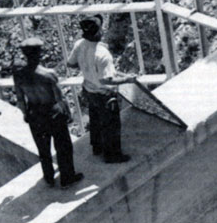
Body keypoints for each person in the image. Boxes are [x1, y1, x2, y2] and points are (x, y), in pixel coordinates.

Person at [13, 38, 83, 188]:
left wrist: (26, 114)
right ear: (39, 53)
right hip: (52, 113)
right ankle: (67, 178)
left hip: (34, 114)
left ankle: (49, 178)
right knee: (63, 147)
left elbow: (20, 99)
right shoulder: (48, 74)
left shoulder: (19, 75)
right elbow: (59, 98)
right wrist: (68, 114)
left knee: (43, 149)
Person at [67, 15, 136, 163]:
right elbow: (106, 80)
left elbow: (70, 64)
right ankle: (112, 155)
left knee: (96, 120)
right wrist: (128, 79)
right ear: (98, 31)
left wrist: (87, 67)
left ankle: (97, 147)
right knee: (110, 125)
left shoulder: (79, 44)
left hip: (89, 91)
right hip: (104, 94)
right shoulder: (103, 54)